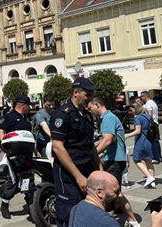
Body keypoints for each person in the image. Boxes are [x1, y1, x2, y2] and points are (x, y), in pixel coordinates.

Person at [49, 77, 101, 226]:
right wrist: (78, 176)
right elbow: (58, 147)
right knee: (69, 213)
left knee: (89, 210)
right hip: (68, 174)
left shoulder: (87, 115)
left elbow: (90, 145)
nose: (90, 98)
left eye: (91, 94)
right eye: (87, 94)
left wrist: (100, 169)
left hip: (87, 169)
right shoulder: (62, 114)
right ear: (75, 92)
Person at [88, 97, 139, 226]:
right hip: (115, 159)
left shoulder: (108, 118)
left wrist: (93, 154)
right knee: (113, 192)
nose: (90, 111)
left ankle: (133, 220)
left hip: (114, 160)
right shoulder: (109, 117)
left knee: (114, 193)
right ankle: (119, 215)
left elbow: (108, 140)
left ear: (97, 104)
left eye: (90, 108)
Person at [0, 96, 33, 219]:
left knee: (29, 180)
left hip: (27, 155)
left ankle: (32, 206)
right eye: (28, 105)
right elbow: (1, 131)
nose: (30, 108)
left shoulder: (26, 118)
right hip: (14, 156)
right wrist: (5, 145)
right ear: (22, 105)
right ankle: (4, 205)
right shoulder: (10, 117)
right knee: (13, 181)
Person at [125, 102, 155, 188]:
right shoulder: (148, 116)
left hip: (141, 141)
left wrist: (127, 135)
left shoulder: (137, 118)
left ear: (136, 109)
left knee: (136, 159)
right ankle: (152, 181)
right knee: (148, 161)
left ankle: (149, 177)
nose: (130, 111)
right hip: (149, 140)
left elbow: (138, 131)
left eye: (131, 109)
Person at [140, 91, 161, 163]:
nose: (141, 99)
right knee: (156, 141)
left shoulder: (148, 104)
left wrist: (146, 123)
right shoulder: (153, 102)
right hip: (155, 123)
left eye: (141, 97)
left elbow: (149, 114)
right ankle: (158, 156)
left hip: (151, 124)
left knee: (153, 141)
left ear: (145, 96)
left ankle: (155, 157)